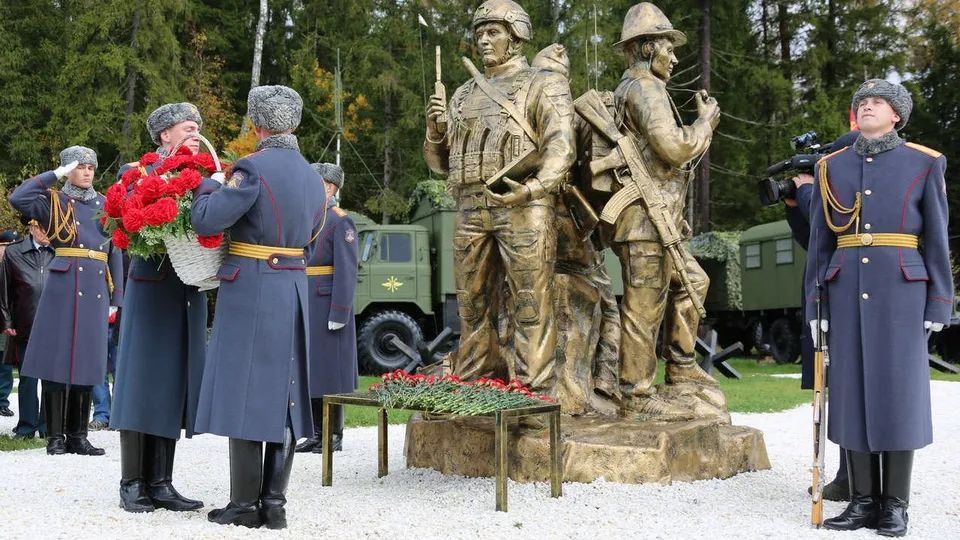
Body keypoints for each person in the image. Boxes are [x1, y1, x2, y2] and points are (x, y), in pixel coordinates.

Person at [805, 79, 952, 537]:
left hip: (903, 292)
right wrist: (815, 304)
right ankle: (862, 501)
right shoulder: (831, 167)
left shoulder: (924, 163)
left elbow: (937, 238)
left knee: (899, 395)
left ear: (896, 115)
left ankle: (895, 505)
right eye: (862, 102)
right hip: (845, 288)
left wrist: (940, 300)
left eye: (878, 102)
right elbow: (820, 244)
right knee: (850, 394)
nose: (867, 106)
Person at [423, 0, 575, 403]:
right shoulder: (462, 93)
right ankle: (476, 386)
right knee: (471, 306)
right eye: (479, 33)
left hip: (524, 206)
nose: (483, 40)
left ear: (516, 36)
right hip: (470, 205)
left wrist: (533, 189)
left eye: (493, 32)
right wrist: (436, 129)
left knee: (530, 304)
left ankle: (533, 396)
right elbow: (439, 162)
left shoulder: (543, 83)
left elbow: (561, 148)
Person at [192, 85, 326, 530]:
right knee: (285, 393)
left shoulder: (250, 167)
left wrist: (207, 184)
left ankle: (244, 505)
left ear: (256, 125)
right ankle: (274, 504)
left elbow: (208, 219)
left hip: (252, 286)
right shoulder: (313, 176)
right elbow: (310, 230)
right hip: (293, 286)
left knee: (245, 390)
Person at [608, 2, 720, 421]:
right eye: (666, 47)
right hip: (643, 222)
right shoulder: (645, 89)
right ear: (645, 49)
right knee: (643, 308)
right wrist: (704, 123)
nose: (673, 56)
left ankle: (683, 370)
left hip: (658, 219)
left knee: (693, 280)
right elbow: (673, 148)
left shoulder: (636, 88)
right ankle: (636, 397)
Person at [110, 102, 207, 513]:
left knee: (172, 384)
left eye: (199, 126)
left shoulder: (206, 174)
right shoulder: (137, 174)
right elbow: (125, 222)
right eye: (188, 126)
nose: (196, 131)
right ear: (165, 135)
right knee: (140, 384)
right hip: (150, 291)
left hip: (188, 290)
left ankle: (162, 481)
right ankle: (132, 482)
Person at [8, 146, 124, 456]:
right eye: (80, 166)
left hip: (95, 286)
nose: (87, 171)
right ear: (68, 169)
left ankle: (78, 436)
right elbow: (17, 199)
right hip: (64, 283)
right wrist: (53, 176)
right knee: (58, 360)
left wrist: (117, 296)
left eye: (91, 167)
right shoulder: (54, 200)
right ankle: (55, 436)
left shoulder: (106, 204)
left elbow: (116, 250)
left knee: (89, 360)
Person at [785, 129, 859, 503]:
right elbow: (813, 237)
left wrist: (806, 190)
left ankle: (858, 480)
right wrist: (795, 204)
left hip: (848, 293)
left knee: (853, 390)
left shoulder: (855, 183)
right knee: (840, 389)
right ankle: (848, 478)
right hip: (827, 292)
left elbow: (836, 217)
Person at [295, 163, 359, 454]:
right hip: (308, 299)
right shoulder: (309, 217)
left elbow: (347, 270)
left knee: (331, 372)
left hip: (328, 301)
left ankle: (334, 434)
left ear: (329, 187)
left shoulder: (339, 220)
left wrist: (340, 311)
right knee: (312, 371)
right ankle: (315, 433)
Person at [1, 219, 54, 439]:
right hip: (25, 322)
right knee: (27, 378)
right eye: (40, 227)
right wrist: (6, 321)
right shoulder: (14, 253)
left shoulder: (59, 251)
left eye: (48, 227)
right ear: (31, 228)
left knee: (52, 378)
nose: (44, 232)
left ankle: (48, 426)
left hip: (54, 324)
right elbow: (3, 289)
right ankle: (26, 426)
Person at [0, 229, 22, 418]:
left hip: (6, 324)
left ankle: (2, 401)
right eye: (4, 248)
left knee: (5, 365)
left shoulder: (15, 267)